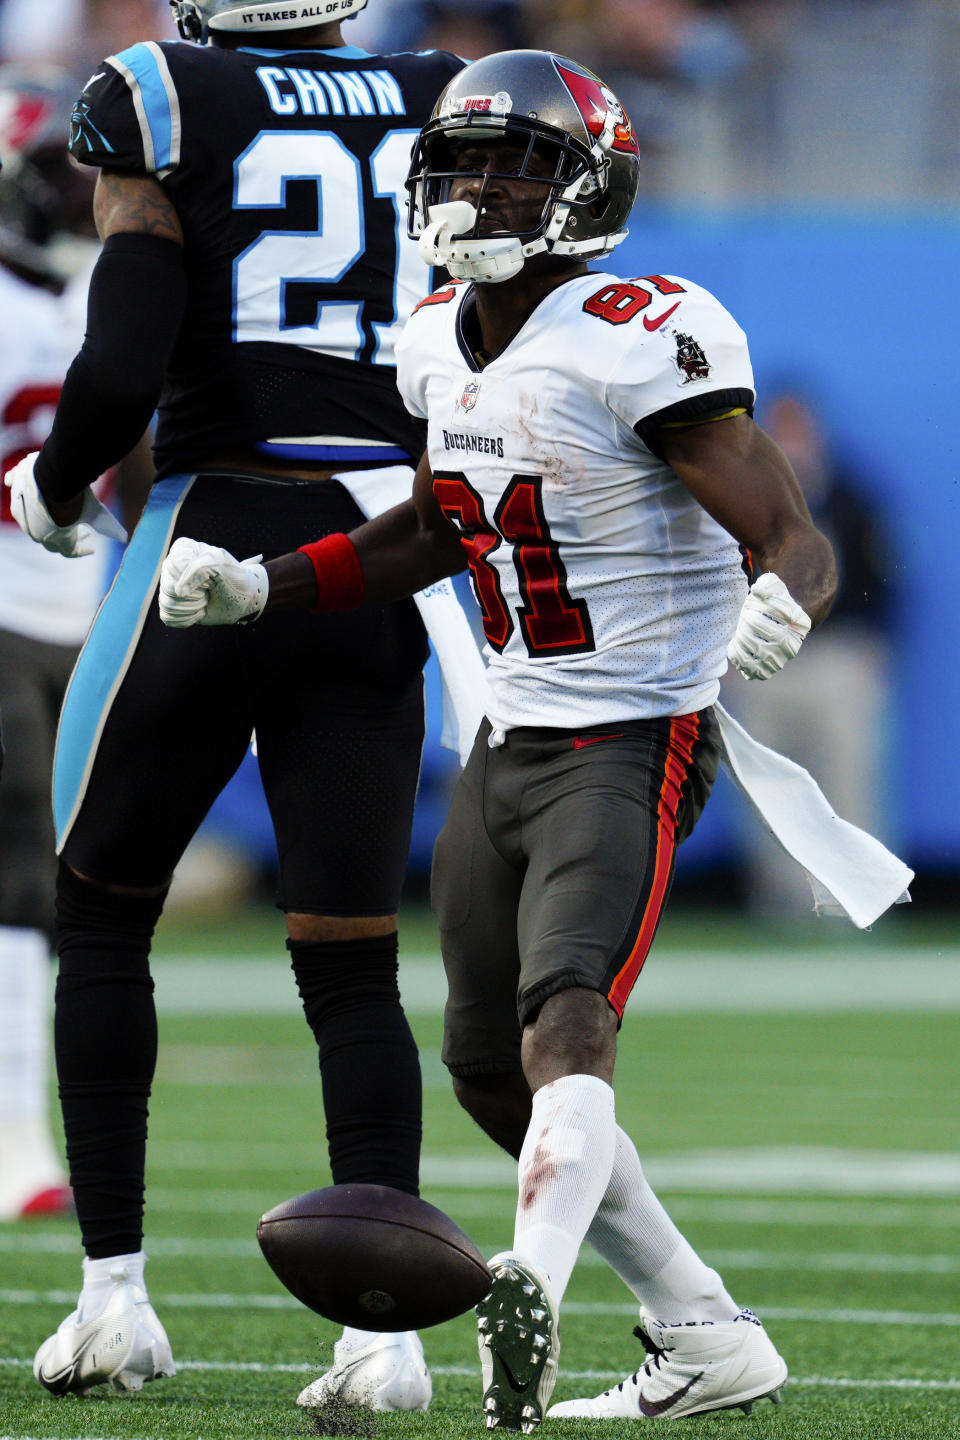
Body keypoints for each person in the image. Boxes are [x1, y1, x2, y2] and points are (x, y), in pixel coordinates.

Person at [158, 49, 841, 1429]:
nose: (477, 186)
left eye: (516, 164)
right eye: (461, 161)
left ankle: (526, 1288)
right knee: (486, 1070)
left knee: (566, 1019)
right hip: (509, 737)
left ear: (588, 190)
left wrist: (785, 600)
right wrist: (264, 586)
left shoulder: (642, 329)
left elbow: (792, 529)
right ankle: (701, 1327)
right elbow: (431, 528)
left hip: (634, 730)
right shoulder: (431, 333)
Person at [4, 0, 464, 1407]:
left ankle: (116, 1297)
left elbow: (126, 363)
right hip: (371, 552)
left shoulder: (160, 92)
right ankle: (380, 1337)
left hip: (211, 527)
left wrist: (52, 480)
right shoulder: (435, 89)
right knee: (352, 958)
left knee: (98, 920)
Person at [0, 63, 147, 1222]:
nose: (85, 188)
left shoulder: (117, 288)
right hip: (2, 612)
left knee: (63, 885)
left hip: (84, 612)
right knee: (18, 882)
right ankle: (16, 1136)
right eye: (66, 166)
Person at [723, 384, 897, 918]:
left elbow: (881, 571)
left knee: (848, 773)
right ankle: (785, 902)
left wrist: (875, 636)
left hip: (834, 656)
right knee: (769, 780)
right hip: (766, 662)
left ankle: (857, 902)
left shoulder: (849, 495)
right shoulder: (740, 497)